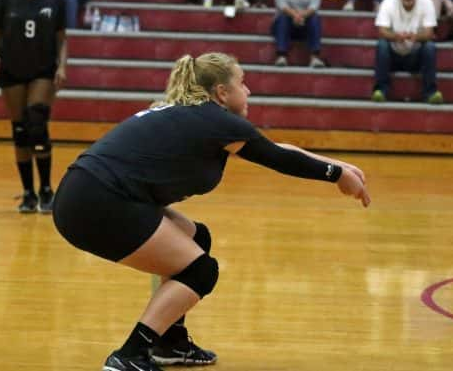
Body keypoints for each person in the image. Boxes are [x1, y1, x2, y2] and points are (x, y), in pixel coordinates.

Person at [51, 52, 370, 371]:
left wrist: (339, 166)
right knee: (201, 270)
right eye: (242, 83)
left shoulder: (199, 117)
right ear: (221, 92)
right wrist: (337, 177)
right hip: (97, 203)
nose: (248, 91)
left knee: (196, 239)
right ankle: (129, 355)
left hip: (86, 194)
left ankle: (170, 342)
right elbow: (278, 159)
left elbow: (272, 149)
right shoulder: (215, 121)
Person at [0, 0, 67, 213]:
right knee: (20, 131)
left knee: (37, 122)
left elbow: (61, 39)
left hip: (42, 70)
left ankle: (46, 189)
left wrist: (62, 66)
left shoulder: (55, 0)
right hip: (11, 71)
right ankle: (28, 193)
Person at [373, 0, 442, 103]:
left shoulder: (426, 3)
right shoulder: (388, 3)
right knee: (382, 45)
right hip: (393, 56)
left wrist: (415, 37)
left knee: (430, 47)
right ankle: (381, 90)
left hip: (415, 57)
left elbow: (429, 33)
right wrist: (395, 36)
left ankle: (430, 92)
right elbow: (381, 32)